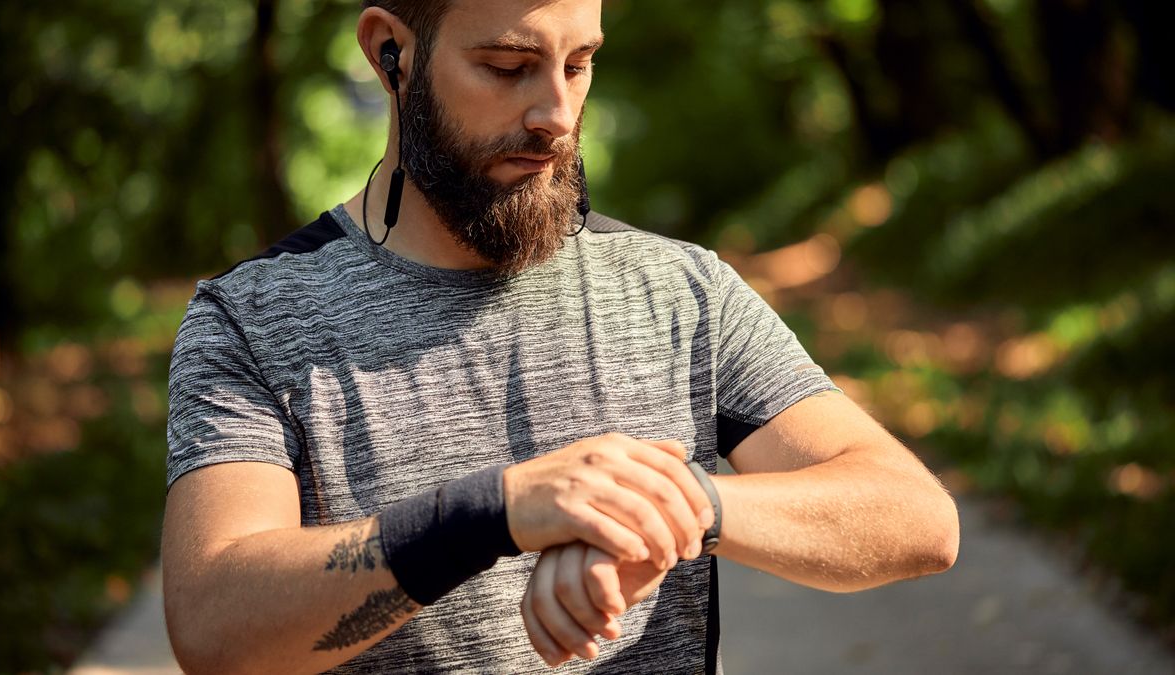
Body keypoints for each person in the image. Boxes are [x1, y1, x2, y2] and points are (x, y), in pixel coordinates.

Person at [161, 0, 961, 672]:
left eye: (578, 64)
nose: (556, 116)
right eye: (508, 67)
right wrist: (497, 511)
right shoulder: (252, 318)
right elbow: (214, 621)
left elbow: (916, 517)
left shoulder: (683, 291)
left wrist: (661, 507)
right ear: (391, 53)